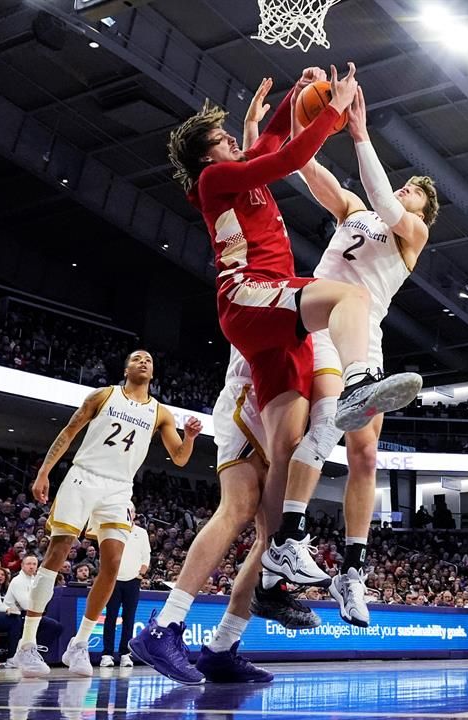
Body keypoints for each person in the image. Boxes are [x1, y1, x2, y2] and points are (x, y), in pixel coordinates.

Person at [165, 66, 422, 604]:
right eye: (225, 139)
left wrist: (292, 102)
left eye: (417, 189)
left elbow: (276, 145)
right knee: (325, 408)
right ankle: (359, 386)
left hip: (312, 317)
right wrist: (331, 111)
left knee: (295, 444)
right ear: (209, 157)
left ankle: (284, 553)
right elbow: (289, 160)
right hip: (260, 296)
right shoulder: (219, 179)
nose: (237, 140)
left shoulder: (411, 231)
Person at [256, 83, 436, 624]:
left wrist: (361, 136)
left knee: (365, 454)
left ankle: (351, 573)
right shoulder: (353, 211)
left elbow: (384, 199)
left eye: (413, 194)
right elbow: (310, 170)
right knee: (327, 422)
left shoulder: (413, 234)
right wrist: (297, 121)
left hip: (365, 331)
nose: (403, 194)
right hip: (321, 318)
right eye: (404, 188)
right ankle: (289, 538)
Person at [11, 350, 201, 678]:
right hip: (83, 476)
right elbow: (69, 431)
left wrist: (190, 437)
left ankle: (80, 644)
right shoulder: (103, 395)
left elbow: (181, 458)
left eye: (149, 360)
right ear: (126, 367)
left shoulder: (161, 413)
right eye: (137, 358)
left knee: (113, 565)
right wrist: (44, 471)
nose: (144, 362)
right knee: (58, 552)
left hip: (119, 488)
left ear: (153, 373)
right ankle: (26, 644)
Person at [129, 348, 315, 685]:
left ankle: (221, 648)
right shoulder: (303, 296)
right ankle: (164, 626)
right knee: (237, 507)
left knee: (273, 540)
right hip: (254, 394)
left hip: (286, 409)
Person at [100, 509, 150, 668]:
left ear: (134, 514)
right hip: (114, 580)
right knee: (110, 617)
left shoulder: (141, 533)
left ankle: (125, 654)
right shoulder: (113, 530)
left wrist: (140, 574)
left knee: (129, 618)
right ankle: (107, 654)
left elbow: (146, 555)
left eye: (131, 511)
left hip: (133, 581)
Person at [2, 554, 62, 656]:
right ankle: (32, 653)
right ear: (22, 565)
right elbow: (26, 605)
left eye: (34, 564)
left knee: (56, 626)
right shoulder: (17, 581)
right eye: (28, 564)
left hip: (31, 613)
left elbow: (47, 597)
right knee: (53, 626)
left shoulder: (35, 580)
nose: (31, 566)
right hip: (15, 615)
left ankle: (35, 653)